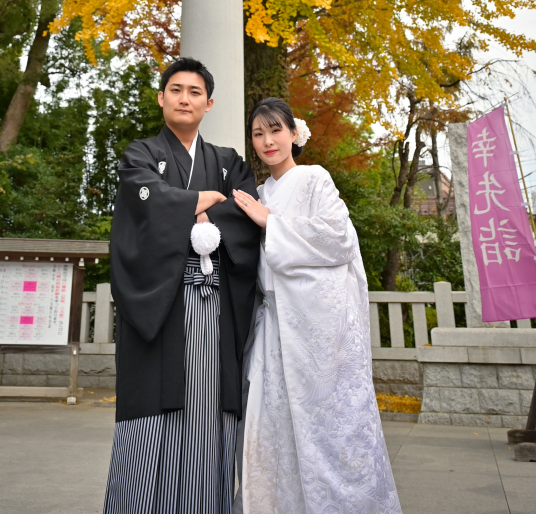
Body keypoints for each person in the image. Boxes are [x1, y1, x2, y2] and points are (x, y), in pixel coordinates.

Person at [104, 57, 262, 514]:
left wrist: (197, 210)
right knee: (151, 414)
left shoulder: (228, 162)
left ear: (209, 103)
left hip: (214, 306)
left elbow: (245, 212)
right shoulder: (138, 155)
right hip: (162, 304)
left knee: (210, 410)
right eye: (176, 89)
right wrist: (198, 200)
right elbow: (143, 201)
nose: (185, 98)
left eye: (195, 92)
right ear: (161, 98)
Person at [233, 97, 401, 514]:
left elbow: (338, 239)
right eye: (259, 133)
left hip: (314, 333)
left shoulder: (313, 178)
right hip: (273, 327)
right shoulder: (257, 194)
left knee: (329, 435)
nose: (268, 140)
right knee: (273, 432)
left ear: (294, 134)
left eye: (276, 130)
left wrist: (270, 222)